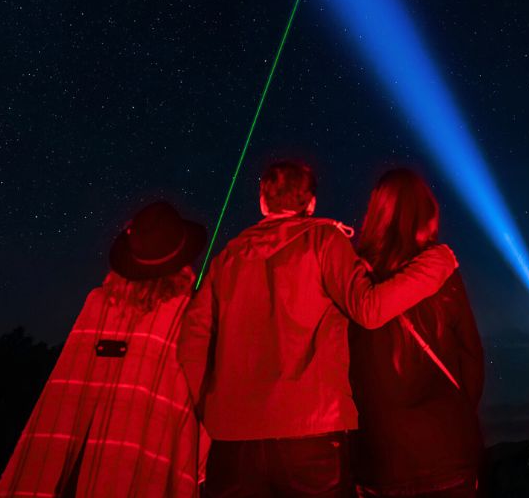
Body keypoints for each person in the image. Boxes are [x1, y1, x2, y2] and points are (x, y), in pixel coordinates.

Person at [178, 160, 460, 498]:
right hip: (313, 435)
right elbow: (369, 309)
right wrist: (437, 263)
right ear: (310, 203)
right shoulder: (324, 241)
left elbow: (192, 341)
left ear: (263, 202)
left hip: (233, 443)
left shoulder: (227, 258)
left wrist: (205, 413)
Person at [0, 201, 209, 498]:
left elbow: (60, 394)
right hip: (144, 462)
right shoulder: (186, 313)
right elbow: (198, 392)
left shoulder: (98, 302)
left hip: (76, 466)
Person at [348, 169, 484, 498]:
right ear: (427, 212)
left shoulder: (352, 278)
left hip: (378, 457)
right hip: (446, 450)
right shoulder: (441, 272)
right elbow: (471, 355)